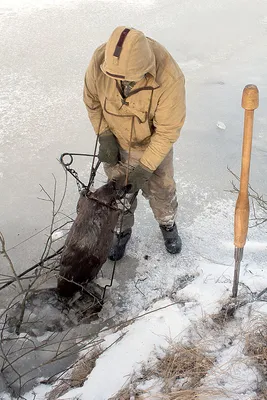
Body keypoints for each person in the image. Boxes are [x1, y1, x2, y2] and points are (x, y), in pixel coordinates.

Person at [83, 26, 186, 261]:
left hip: (153, 146)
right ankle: (120, 232)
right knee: (119, 195)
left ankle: (167, 225)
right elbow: (92, 100)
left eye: (127, 80)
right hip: (117, 142)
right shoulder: (102, 61)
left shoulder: (169, 78)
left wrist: (146, 167)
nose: (121, 83)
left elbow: (168, 130)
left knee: (162, 191)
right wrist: (104, 135)